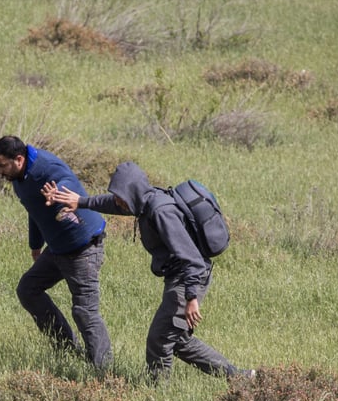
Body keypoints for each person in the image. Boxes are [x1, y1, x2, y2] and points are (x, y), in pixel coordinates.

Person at [43, 160, 253, 381]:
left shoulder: (161, 212)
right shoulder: (144, 202)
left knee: (159, 339)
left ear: (132, 193)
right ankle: (241, 378)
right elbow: (113, 204)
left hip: (188, 278)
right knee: (178, 340)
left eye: (120, 197)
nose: (117, 202)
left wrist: (191, 297)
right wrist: (81, 202)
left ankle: (156, 393)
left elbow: (193, 259)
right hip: (178, 277)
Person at [0, 135, 113, 370]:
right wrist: (35, 245)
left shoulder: (47, 169)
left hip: (83, 247)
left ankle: (103, 372)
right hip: (57, 248)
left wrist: (58, 195)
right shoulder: (19, 177)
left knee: (85, 311)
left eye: (3, 165)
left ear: (19, 159)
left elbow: (65, 181)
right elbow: (33, 209)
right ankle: (67, 349)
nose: (0, 172)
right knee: (28, 289)